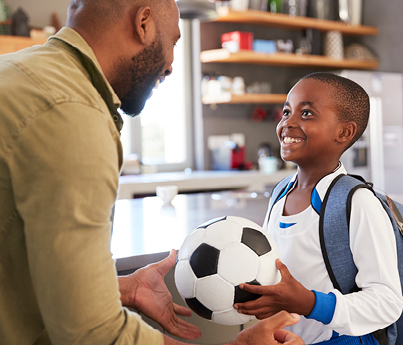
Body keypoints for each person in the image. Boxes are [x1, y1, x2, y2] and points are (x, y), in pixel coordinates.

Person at [0, 0, 304, 344]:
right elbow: (92, 334)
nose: (172, 65)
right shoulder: (71, 114)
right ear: (143, 22)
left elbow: (14, 267)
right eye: (173, 42)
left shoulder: (18, 72)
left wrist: (115, 288)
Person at [233, 73, 403, 345]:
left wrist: (310, 303)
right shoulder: (280, 194)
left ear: (344, 132)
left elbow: (387, 302)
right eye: (287, 111)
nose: (288, 122)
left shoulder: (356, 202)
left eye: (307, 113)